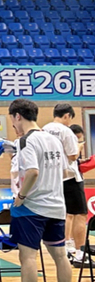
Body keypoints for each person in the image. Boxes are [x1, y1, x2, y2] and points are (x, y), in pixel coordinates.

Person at [3, 99, 75, 282]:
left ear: (17, 116)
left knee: (28, 257)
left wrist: (21, 196)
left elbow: (32, 172)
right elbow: (65, 172)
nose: (13, 124)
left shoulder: (25, 141)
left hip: (31, 208)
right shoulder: (54, 139)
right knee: (60, 256)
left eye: (12, 119)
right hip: (56, 206)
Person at [43, 103, 87, 263]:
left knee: (64, 214)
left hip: (51, 178)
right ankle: (80, 253)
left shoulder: (44, 129)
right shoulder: (66, 131)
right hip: (69, 177)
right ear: (67, 115)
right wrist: (79, 147)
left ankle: (66, 248)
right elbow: (73, 156)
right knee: (79, 214)